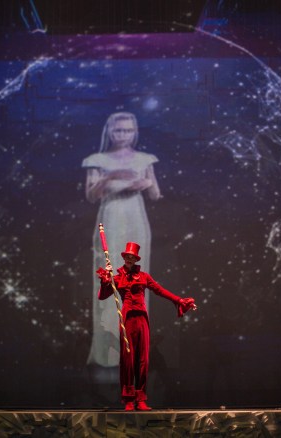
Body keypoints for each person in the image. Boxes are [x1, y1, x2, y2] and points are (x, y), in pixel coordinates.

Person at [83, 112, 161, 370]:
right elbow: (91, 196)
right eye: (118, 130)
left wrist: (143, 182)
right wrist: (110, 177)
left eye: (128, 130)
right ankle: (108, 351)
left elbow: (155, 193)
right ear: (110, 131)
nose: (123, 135)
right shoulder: (97, 160)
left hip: (135, 217)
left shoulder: (145, 159)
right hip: (112, 216)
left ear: (135, 132)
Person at [96, 242, 196, 411]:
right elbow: (102, 296)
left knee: (143, 360)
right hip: (127, 320)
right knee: (128, 360)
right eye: (127, 256)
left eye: (132, 257)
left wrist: (179, 300)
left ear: (136, 259)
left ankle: (140, 398)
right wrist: (106, 279)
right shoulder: (117, 277)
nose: (129, 259)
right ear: (124, 258)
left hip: (142, 319)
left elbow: (160, 290)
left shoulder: (143, 276)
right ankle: (129, 399)